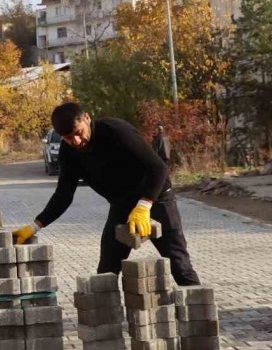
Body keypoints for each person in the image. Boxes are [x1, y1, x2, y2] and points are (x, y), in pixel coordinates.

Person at [12, 102, 201, 285]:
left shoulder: (116, 131)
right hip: (122, 206)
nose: (76, 141)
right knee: (106, 273)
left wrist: (144, 205)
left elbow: (158, 168)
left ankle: (201, 314)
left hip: (157, 199)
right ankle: (106, 316)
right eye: (69, 138)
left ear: (87, 118)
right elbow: (63, 195)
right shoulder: (69, 153)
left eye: (78, 133)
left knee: (180, 267)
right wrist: (35, 225)